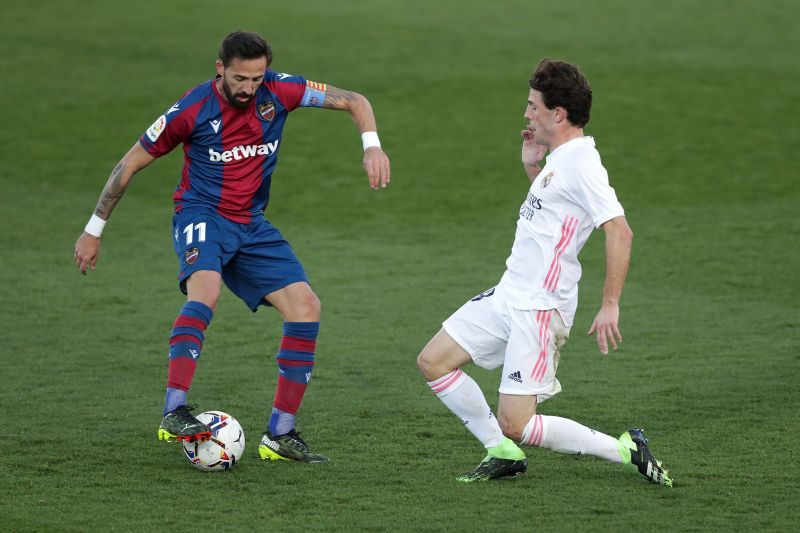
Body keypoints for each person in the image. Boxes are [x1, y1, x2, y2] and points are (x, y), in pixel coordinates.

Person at [74, 31, 390, 463]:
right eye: (241, 78)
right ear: (219, 68)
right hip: (201, 216)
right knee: (206, 291)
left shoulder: (281, 90)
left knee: (306, 306)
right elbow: (129, 163)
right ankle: (174, 410)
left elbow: (356, 100)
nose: (249, 88)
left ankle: (280, 433)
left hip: (251, 225)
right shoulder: (192, 109)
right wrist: (94, 230)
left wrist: (371, 146)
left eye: (257, 78)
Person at [416, 59, 671, 486]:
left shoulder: (582, 165)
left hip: (539, 308)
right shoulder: (558, 158)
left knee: (518, 423)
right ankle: (500, 452)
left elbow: (620, 232)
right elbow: (551, 219)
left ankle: (625, 448)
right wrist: (532, 167)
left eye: (533, 105)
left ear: (559, 113)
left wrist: (610, 304)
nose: (526, 113)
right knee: (433, 362)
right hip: (508, 294)